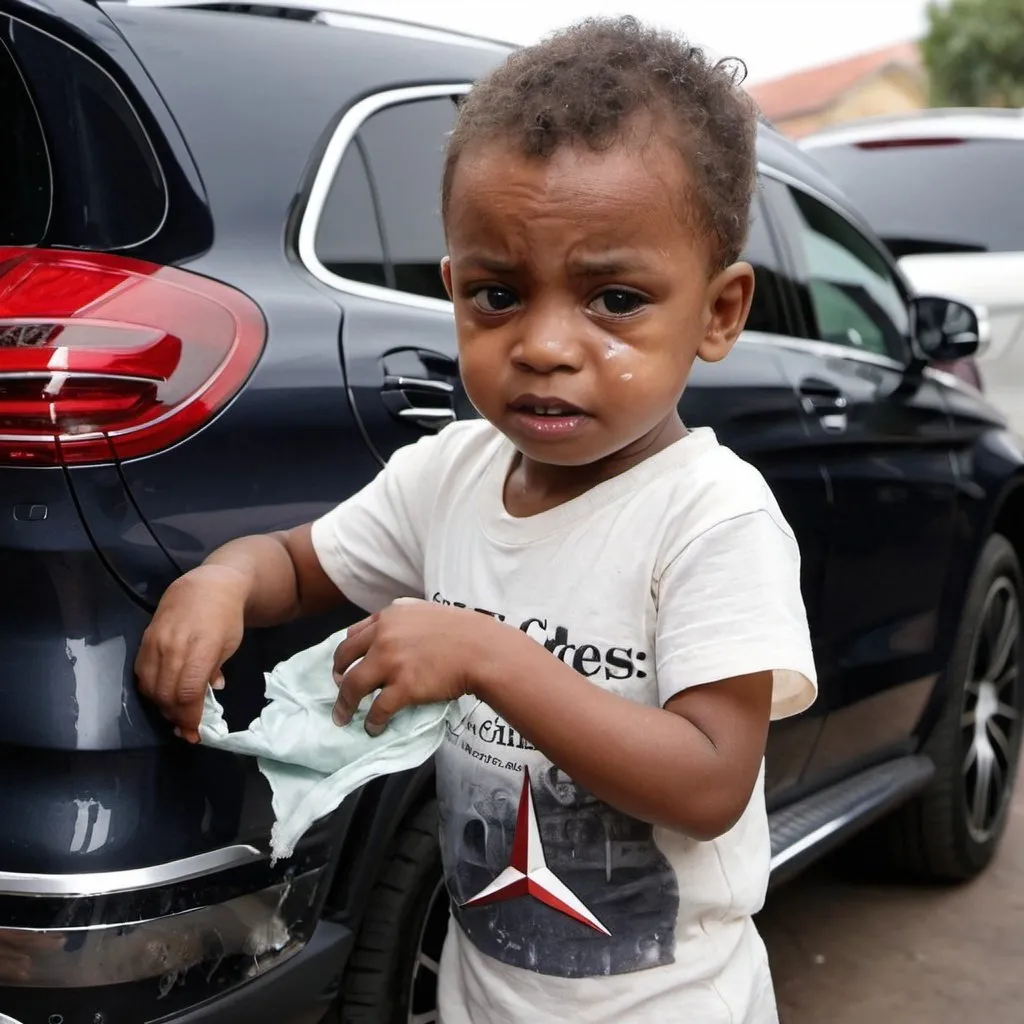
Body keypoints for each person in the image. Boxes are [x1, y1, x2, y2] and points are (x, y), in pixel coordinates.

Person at [135, 15, 817, 1023]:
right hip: (482, 992)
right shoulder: (446, 474)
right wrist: (222, 581)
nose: (544, 343)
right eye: (499, 293)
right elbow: (296, 563)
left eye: (614, 298)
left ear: (717, 313)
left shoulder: (710, 517)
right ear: (452, 290)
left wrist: (490, 656)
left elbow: (712, 779)